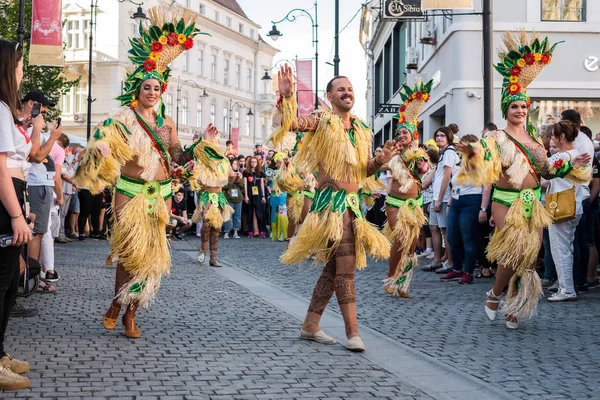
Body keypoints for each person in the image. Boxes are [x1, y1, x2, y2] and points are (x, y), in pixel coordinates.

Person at [74, 7, 206, 338]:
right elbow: (101, 141)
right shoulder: (125, 117)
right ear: (139, 89)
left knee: (151, 259)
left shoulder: (168, 123)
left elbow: (177, 154)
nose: (151, 92)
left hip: (160, 195)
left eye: (156, 88)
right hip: (130, 191)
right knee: (131, 254)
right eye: (146, 87)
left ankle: (131, 311)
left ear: (162, 92)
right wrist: (102, 149)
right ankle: (118, 302)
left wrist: (196, 152)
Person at [457, 32, 590, 329]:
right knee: (515, 250)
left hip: (533, 202)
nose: (520, 110)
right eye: (515, 106)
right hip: (505, 201)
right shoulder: (496, 137)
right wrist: (471, 153)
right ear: (506, 109)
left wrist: (571, 164)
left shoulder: (534, 140)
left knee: (528, 259)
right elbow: (482, 163)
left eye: (524, 106)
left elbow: (545, 172)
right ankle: (494, 294)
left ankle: (512, 308)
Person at [269, 66, 394, 351]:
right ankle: (353, 333)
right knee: (346, 268)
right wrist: (287, 97)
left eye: (349, 89)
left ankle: (310, 325)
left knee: (333, 269)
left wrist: (380, 161)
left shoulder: (362, 129)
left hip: (352, 206)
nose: (347, 93)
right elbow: (287, 124)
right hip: (332, 206)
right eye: (341, 89)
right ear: (329, 96)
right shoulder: (322, 120)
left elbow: (363, 171)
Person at [0, 39, 33, 390]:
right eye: (19, 64)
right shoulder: (0, 109)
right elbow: (1, 168)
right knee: (2, 281)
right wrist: (15, 215)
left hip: (12, 197)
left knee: (10, 282)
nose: (22, 71)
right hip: (5, 200)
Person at [382, 80, 433, 297]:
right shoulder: (393, 154)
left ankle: (403, 282)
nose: (401, 136)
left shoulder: (420, 154)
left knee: (412, 246)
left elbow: (424, 172)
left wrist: (418, 159)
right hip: (394, 203)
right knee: (401, 239)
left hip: (415, 204)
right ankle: (391, 276)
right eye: (399, 133)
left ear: (413, 135)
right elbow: (381, 165)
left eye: (405, 133)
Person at [440, 135, 492, 285]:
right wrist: (449, 204)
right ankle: (456, 269)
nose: (460, 147)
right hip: (456, 202)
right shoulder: (461, 162)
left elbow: (486, 187)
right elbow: (454, 186)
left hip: (472, 202)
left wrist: (483, 208)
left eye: (464, 145)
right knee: (452, 237)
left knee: (468, 238)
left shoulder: (481, 163)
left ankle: (468, 272)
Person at [546, 121, 589, 301]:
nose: (552, 138)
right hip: (575, 205)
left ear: (562, 137)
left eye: (554, 135)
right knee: (568, 248)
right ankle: (568, 287)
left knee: (560, 249)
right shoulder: (577, 154)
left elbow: (542, 174)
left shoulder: (562, 157)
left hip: (560, 207)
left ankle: (566, 289)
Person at [188, 129, 236, 267]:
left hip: (219, 196)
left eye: (216, 141)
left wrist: (237, 176)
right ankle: (203, 250)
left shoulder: (224, 161)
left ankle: (213, 257)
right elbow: (194, 177)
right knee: (206, 225)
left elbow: (231, 177)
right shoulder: (202, 160)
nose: (214, 144)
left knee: (217, 228)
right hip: (206, 195)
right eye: (212, 141)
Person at [422, 126, 458, 273]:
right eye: (437, 135)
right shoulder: (442, 154)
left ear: (448, 137)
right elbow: (436, 177)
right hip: (436, 197)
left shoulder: (449, 153)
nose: (439, 138)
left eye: (442, 135)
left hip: (443, 198)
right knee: (433, 228)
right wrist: (433, 199)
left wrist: (439, 200)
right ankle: (437, 260)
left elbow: (446, 177)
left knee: (444, 230)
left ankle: (449, 262)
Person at [243, 156, 267, 238]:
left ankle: (262, 231)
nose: (253, 164)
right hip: (249, 193)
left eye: (255, 162)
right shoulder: (246, 172)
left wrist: (263, 196)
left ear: (257, 163)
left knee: (259, 213)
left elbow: (262, 184)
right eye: (252, 162)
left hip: (258, 194)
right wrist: (246, 196)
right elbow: (245, 184)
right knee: (250, 213)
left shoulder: (260, 172)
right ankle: (250, 231)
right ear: (250, 163)